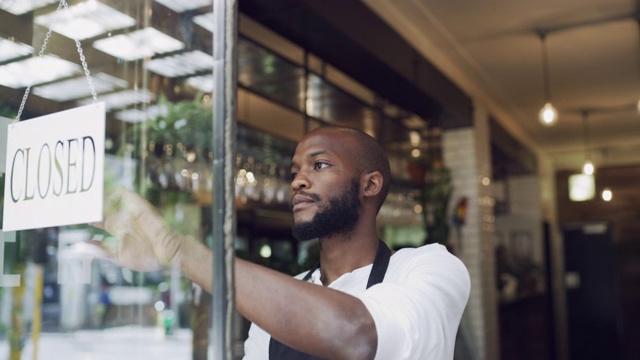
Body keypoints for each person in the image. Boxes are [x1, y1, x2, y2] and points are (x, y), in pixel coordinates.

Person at [93, 126, 470, 359]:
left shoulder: (430, 267)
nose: (298, 181)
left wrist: (177, 249)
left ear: (370, 184)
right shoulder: (278, 302)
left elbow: (355, 334)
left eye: (319, 166)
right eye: (296, 171)